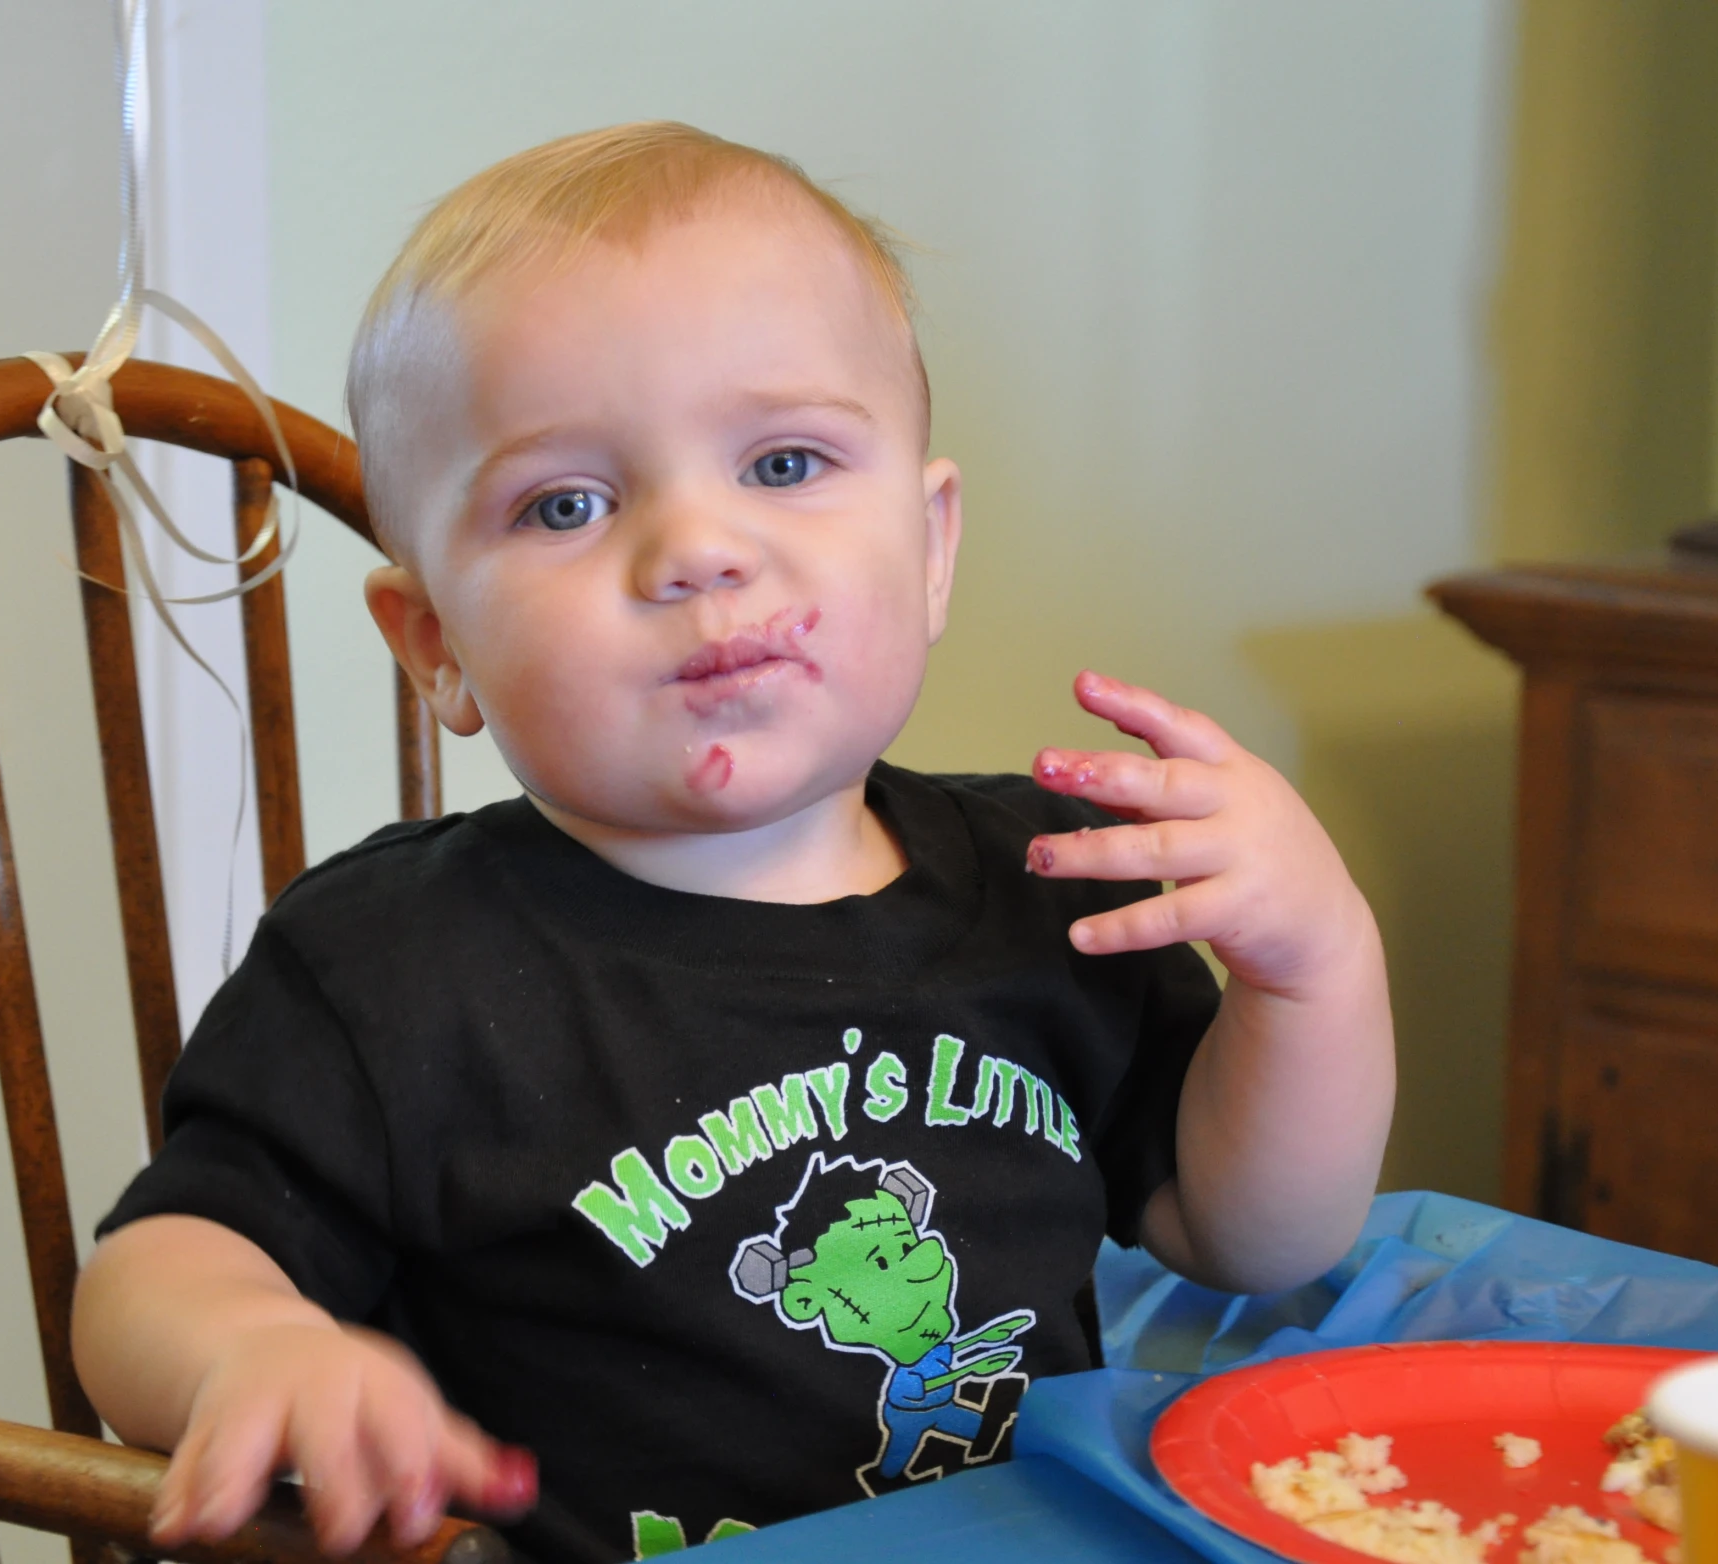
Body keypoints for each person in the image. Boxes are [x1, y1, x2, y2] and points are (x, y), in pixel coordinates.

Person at [70, 122, 1395, 1564]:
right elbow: (153, 1268)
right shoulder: (389, 967)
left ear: (930, 544)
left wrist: (1309, 969)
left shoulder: (1049, 883)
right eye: (566, 504)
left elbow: (1252, 1238)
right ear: (435, 645)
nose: (697, 547)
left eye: (781, 462)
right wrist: (253, 1347)